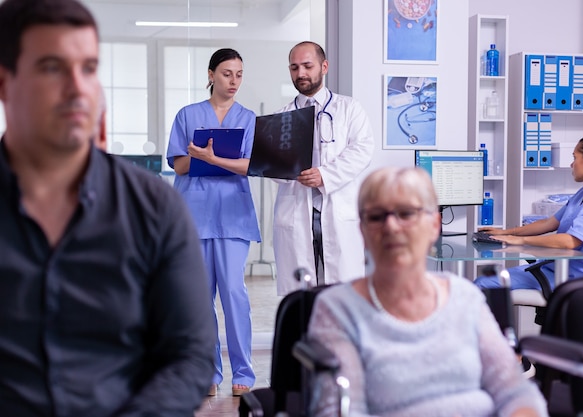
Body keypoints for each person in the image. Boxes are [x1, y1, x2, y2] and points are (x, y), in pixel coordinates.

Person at [0, 0, 216, 415]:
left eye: (88, 68)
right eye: (52, 67)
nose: (78, 88)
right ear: (4, 82)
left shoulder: (154, 208)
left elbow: (189, 355)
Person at [307, 166, 547, 417]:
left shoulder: (464, 298)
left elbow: (514, 390)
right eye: (376, 217)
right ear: (363, 231)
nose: (391, 227)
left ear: (434, 224)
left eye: (406, 213)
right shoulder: (337, 309)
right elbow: (339, 410)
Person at [166, 48, 261, 397]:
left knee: (234, 292)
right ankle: (207, 371)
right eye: (226, 73)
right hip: (194, 214)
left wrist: (208, 156)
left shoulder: (249, 119)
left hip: (233, 215)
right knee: (200, 296)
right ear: (210, 75)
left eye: (238, 74)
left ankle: (244, 373)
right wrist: (206, 159)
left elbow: (251, 165)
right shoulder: (187, 115)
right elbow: (178, 164)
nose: (233, 81)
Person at [273, 41, 374, 295]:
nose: (301, 73)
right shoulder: (282, 116)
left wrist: (324, 175)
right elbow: (272, 166)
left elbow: (362, 150)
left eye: (307, 66)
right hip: (296, 212)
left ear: (324, 66)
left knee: (342, 293)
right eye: (294, 68)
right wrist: (287, 170)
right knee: (300, 294)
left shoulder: (350, 109)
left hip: (338, 209)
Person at [475, 133, 583, 290]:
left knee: (483, 284)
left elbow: (570, 241)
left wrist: (521, 240)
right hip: (552, 268)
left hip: (571, 278)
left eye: (575, 157)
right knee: (484, 280)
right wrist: (506, 233)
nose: (572, 164)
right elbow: (549, 223)